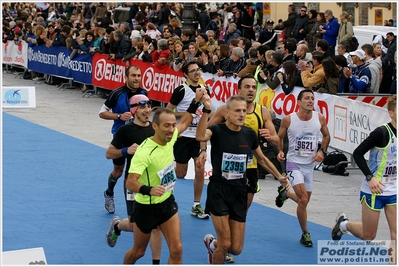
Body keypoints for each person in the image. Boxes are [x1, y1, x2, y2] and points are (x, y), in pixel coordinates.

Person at [196, 94, 290, 264]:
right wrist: (206, 110)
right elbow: (200, 136)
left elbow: (261, 159)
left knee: (236, 249)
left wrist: (279, 176)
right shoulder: (217, 130)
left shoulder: (249, 134)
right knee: (225, 244)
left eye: (244, 111)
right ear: (227, 113)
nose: (241, 114)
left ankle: (212, 245)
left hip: (239, 191)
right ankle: (218, 248)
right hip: (219, 191)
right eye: (237, 111)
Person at [123, 88, 208, 264]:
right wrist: (149, 189)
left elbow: (184, 121)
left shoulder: (171, 137)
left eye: (172, 125)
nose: (171, 129)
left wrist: (196, 102)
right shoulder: (144, 152)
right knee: (138, 252)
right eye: (166, 126)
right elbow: (130, 182)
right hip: (146, 207)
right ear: (155, 126)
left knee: (177, 249)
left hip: (167, 204)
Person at [331, 95, 396, 264]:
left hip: (394, 190)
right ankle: (343, 224)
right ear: (391, 113)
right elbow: (358, 153)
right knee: (369, 235)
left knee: (396, 234)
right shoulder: (382, 132)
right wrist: (370, 177)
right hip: (374, 189)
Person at [104, 95, 162, 265]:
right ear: (134, 110)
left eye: (149, 107)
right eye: (143, 107)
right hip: (133, 183)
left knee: (155, 225)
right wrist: (126, 151)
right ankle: (117, 226)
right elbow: (109, 153)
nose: (147, 110)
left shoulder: (154, 129)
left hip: (153, 183)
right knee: (134, 226)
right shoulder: (125, 130)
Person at [274, 89, 331, 247]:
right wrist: (280, 151)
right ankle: (305, 233)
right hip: (293, 163)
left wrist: (322, 151)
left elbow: (326, 136)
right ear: (299, 102)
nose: (310, 101)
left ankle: (285, 193)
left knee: (303, 202)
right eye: (306, 98)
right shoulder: (288, 119)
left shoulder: (319, 118)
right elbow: (279, 137)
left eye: (312, 98)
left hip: (309, 165)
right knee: (303, 199)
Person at [99, 66, 148, 214]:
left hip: (138, 136)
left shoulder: (143, 93)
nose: (136, 78)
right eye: (133, 75)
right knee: (118, 171)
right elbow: (102, 113)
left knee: (137, 171)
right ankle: (109, 193)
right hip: (121, 137)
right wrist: (119, 116)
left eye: (139, 75)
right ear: (126, 77)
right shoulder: (117, 93)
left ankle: (137, 204)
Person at [165, 61, 210, 220]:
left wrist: (204, 147)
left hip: (198, 137)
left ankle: (196, 204)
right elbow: (167, 112)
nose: (197, 73)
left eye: (198, 70)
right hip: (182, 137)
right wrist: (187, 115)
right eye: (193, 71)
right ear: (186, 74)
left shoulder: (206, 90)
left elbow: (206, 115)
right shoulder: (181, 90)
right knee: (181, 172)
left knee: (200, 168)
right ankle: (166, 197)